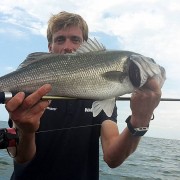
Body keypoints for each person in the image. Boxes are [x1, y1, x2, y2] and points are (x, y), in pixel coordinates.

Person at [5, 11, 162, 180]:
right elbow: (21, 157)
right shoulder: (31, 95)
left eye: (75, 39)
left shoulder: (104, 95)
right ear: (50, 48)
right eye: (59, 39)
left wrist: (139, 121)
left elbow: (112, 158)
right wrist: (27, 132)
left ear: (85, 46)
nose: (68, 47)